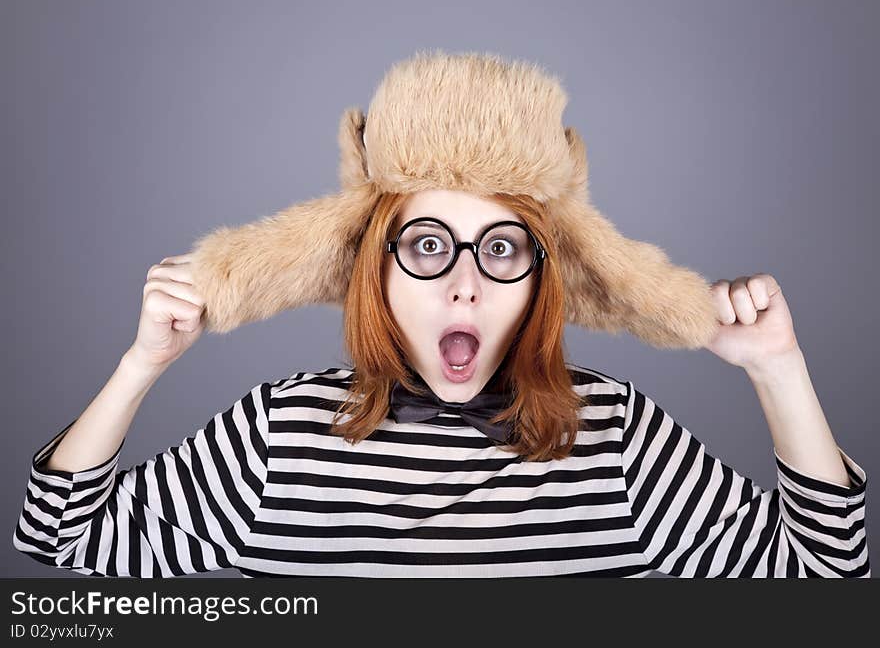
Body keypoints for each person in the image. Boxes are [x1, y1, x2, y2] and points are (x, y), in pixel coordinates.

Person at [12, 51, 868, 577]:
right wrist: (141, 366)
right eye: (428, 245)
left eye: (500, 248)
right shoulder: (278, 434)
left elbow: (826, 575)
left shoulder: (620, 435)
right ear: (373, 269)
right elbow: (55, 538)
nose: (466, 285)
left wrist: (777, 366)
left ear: (541, 275)